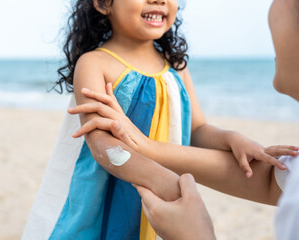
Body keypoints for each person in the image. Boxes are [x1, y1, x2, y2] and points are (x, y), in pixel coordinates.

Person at [23, 0, 297, 240]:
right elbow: (100, 142)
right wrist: (163, 181)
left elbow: (198, 129)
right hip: (111, 192)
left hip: (164, 194)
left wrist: (231, 138)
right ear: (104, 3)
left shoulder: (175, 65)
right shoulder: (95, 63)